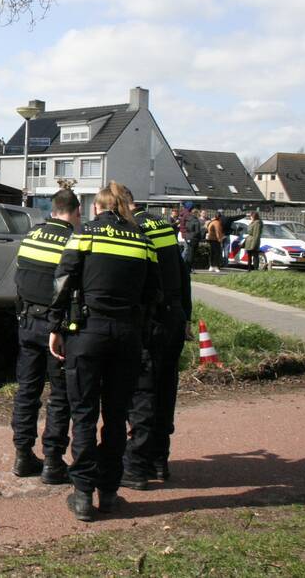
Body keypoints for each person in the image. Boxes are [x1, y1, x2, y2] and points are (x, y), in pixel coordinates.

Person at [48, 182, 162, 521]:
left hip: (86, 333)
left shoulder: (85, 235)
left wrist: (56, 326)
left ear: (98, 207)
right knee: (115, 417)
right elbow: (153, 294)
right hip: (126, 336)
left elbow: (63, 280)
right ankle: (109, 492)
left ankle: (83, 495)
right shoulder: (144, 241)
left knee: (83, 413)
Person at [114, 186, 192, 491]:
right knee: (165, 389)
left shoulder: (135, 229)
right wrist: (185, 314)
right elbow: (183, 274)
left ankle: (135, 467)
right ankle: (160, 460)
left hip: (152, 322)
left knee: (143, 393)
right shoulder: (164, 226)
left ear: (123, 206)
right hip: (173, 318)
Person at [11, 188, 81, 484]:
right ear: (76, 213)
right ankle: (53, 461)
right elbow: (71, 289)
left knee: (27, 391)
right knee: (60, 396)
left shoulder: (30, 237)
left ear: (53, 210)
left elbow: (19, 278)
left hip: (26, 322)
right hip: (56, 329)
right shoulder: (73, 241)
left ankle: (22, 455)